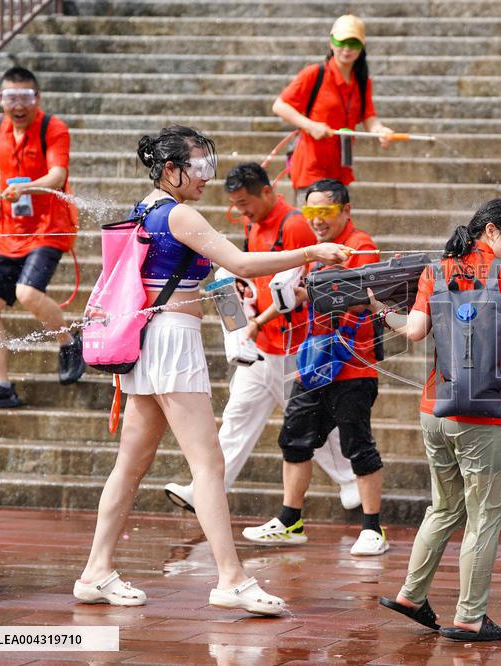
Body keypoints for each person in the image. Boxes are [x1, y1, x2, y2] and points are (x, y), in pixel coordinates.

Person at [74, 126, 349, 615]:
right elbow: (241, 262)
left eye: (208, 165)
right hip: (172, 341)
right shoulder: (178, 212)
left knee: (130, 466)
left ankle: (96, 570)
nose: (206, 177)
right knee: (208, 464)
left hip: (147, 341)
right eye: (197, 167)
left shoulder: (148, 207)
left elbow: (205, 270)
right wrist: (310, 252)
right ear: (171, 169)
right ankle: (231, 578)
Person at [373, 199, 501, 642]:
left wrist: (382, 311)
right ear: (492, 231)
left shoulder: (435, 271)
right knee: (483, 517)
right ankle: (470, 617)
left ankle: (411, 594)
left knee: (443, 507)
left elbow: (415, 331)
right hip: (482, 415)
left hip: (434, 411)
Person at [163, 163, 361, 519]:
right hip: (260, 348)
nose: (241, 211)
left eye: (245, 203)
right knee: (238, 417)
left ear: (267, 192)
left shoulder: (296, 225)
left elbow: (298, 287)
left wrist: (255, 321)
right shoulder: (253, 224)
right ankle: (206, 489)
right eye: (236, 204)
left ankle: (352, 480)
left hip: (294, 346)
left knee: (308, 423)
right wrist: (241, 312)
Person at [244, 179, 389, 556]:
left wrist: (305, 293)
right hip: (314, 360)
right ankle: (289, 519)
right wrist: (259, 320)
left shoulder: (362, 244)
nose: (318, 221)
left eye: (325, 213)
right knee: (294, 437)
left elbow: (359, 299)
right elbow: (291, 291)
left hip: (354, 363)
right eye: (311, 213)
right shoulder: (315, 250)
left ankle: (373, 527)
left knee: (358, 443)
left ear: (345, 210)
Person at [0, 66, 84, 409]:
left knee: (27, 291)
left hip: (49, 226)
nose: (18, 105)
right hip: (8, 231)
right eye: (10, 97)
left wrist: (27, 188)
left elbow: (58, 174)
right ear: (0, 100)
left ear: (38, 98)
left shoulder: (53, 127)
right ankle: (2, 386)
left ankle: (68, 341)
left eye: (26, 98)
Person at [272, 14, 394, 200]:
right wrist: (310, 125)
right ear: (331, 42)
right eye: (341, 42)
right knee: (314, 223)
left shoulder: (361, 81)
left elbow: (369, 116)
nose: (346, 49)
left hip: (340, 168)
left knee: (338, 224)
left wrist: (379, 130)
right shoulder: (314, 73)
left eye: (353, 43)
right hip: (311, 167)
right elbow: (280, 106)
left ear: (361, 47)